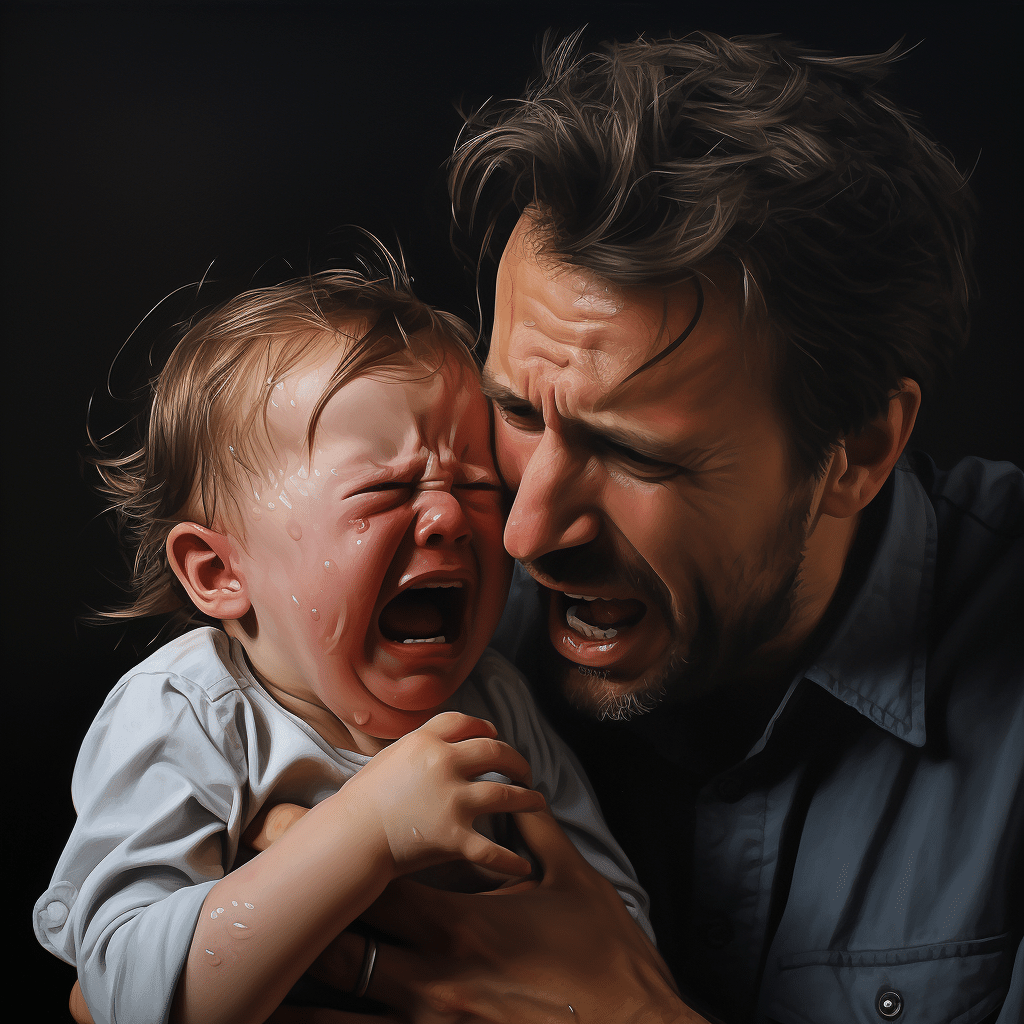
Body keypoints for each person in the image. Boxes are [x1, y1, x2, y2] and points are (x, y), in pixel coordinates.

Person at [236, 31, 1021, 1024]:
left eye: (635, 453)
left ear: (856, 451)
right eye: (517, 413)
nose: (522, 534)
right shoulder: (416, 605)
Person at [34, 260, 656, 1024]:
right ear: (220, 570)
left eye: (475, 485)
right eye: (386, 489)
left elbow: (618, 941)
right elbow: (123, 992)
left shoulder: (498, 702)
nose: (449, 519)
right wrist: (367, 832)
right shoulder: (188, 715)